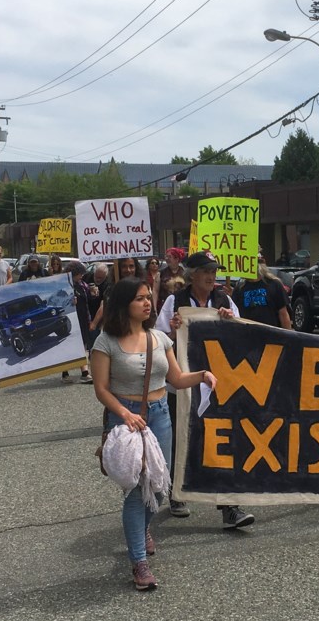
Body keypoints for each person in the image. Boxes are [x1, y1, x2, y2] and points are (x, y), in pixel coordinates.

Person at [91, 276, 217, 591]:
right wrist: (125, 414)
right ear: (124, 305)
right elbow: (101, 390)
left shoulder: (160, 337)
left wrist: (202, 375)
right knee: (137, 491)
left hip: (160, 415)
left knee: (159, 488)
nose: (148, 303)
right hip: (126, 419)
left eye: (149, 297)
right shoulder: (105, 342)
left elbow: (175, 378)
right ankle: (139, 563)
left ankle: (143, 528)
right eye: (140, 299)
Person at [156, 250, 256, 528]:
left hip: (216, 382)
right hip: (184, 383)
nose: (212, 276)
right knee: (180, 440)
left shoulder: (224, 300)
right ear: (192, 274)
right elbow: (158, 340)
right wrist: (173, 330)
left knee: (219, 439)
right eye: (206, 271)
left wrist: (229, 321)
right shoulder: (175, 302)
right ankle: (177, 492)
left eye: (214, 271)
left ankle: (229, 507)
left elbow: (242, 335)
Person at [232, 256, 292, 329]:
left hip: (271, 335)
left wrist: (288, 338)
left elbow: (283, 314)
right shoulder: (239, 289)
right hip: (248, 336)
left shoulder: (274, 284)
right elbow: (235, 315)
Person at [63, 260, 93, 384]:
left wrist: (93, 294)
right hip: (72, 319)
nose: (81, 276)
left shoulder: (83, 284)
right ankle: (69, 372)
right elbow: (60, 304)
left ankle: (84, 372)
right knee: (72, 346)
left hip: (83, 317)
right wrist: (70, 303)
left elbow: (88, 299)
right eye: (79, 273)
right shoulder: (66, 286)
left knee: (82, 346)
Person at [154, 248, 185, 312]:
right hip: (164, 306)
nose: (167, 258)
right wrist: (154, 307)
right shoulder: (160, 273)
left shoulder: (184, 273)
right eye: (166, 256)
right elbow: (155, 291)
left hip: (181, 306)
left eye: (169, 257)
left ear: (177, 259)